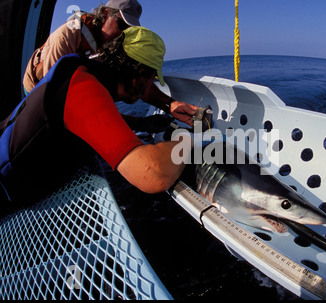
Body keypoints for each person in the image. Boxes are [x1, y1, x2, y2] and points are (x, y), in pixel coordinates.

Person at [0, 27, 194, 207]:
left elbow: (92, 118)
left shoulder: (79, 67)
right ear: (139, 76)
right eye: (151, 79)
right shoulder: (82, 89)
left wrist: (152, 116)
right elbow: (153, 175)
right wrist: (189, 142)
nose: (149, 87)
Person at [23, 0, 197, 129]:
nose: (122, 33)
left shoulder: (114, 44)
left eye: (128, 29)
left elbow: (138, 84)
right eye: (121, 24)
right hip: (39, 92)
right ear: (106, 14)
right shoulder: (67, 36)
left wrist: (169, 104)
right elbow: (55, 101)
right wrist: (139, 123)